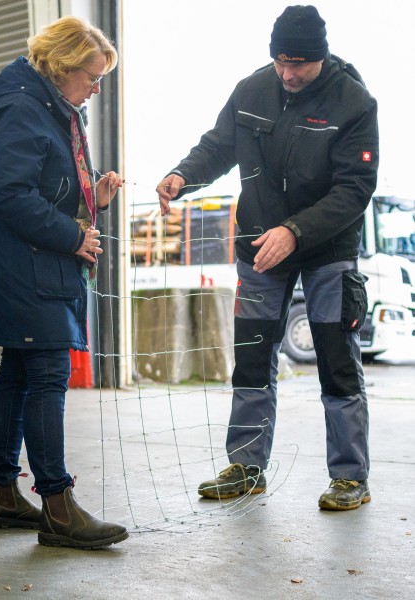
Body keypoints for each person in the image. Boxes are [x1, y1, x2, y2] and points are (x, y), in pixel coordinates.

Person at [157, 5, 377, 511]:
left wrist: (296, 231)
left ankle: (350, 477)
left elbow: (354, 189)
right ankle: (246, 467)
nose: (288, 73)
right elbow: (218, 146)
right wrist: (182, 176)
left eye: (298, 63)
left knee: (336, 360)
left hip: (327, 249)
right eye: (280, 60)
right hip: (259, 245)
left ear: (320, 57)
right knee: (253, 355)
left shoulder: (355, 103)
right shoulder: (252, 89)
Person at [0, 15, 128, 548]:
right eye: (92, 76)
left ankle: (4, 497)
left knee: (17, 374)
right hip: (25, 269)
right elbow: (10, 194)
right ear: (61, 66)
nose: (97, 87)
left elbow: (42, 185)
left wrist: (92, 199)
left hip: (31, 265)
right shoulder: (23, 109)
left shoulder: (53, 109)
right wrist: (72, 236)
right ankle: (57, 506)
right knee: (49, 373)